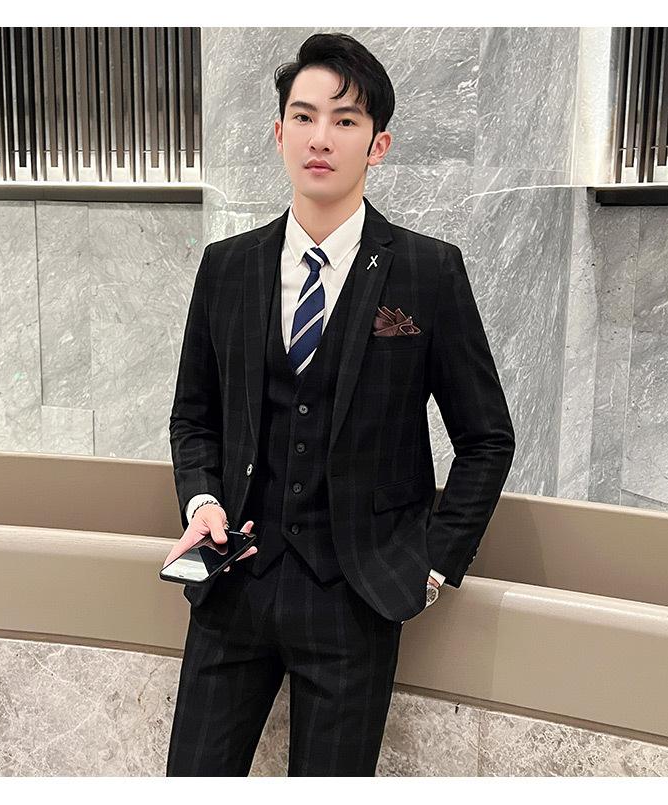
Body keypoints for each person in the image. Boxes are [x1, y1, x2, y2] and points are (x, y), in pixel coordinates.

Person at [164, 32, 515, 777]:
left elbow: (486, 437)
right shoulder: (226, 267)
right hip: (234, 584)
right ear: (279, 133)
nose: (320, 137)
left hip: (355, 600)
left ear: (377, 144)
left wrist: (431, 566)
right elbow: (193, 415)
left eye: (345, 119)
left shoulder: (428, 271)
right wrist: (202, 499)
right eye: (304, 116)